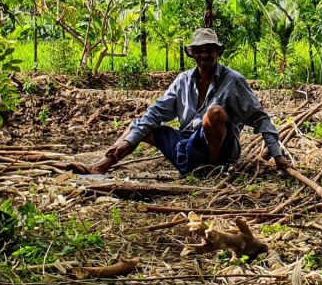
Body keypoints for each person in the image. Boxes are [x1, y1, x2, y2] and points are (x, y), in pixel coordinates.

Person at [79, 28, 292, 175]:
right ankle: (102, 165)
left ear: (217, 52)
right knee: (139, 126)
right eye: (199, 50)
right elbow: (155, 113)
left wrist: (277, 155)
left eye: (209, 49)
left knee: (215, 113)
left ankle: (213, 166)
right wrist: (127, 141)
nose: (204, 54)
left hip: (223, 151)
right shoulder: (183, 80)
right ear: (192, 53)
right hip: (188, 145)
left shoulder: (233, 81)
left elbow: (260, 118)